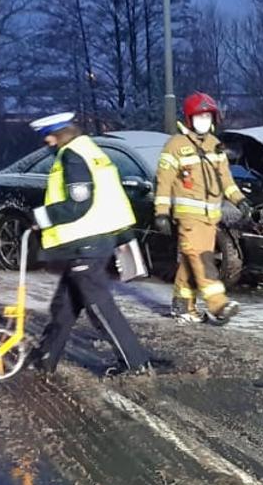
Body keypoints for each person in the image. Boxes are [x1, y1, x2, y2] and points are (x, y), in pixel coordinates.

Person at [26, 112, 155, 376]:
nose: (47, 140)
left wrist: (42, 216)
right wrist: (122, 235)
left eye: (49, 135)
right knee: (64, 305)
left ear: (62, 133)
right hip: (90, 242)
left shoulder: (73, 156)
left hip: (87, 243)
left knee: (99, 305)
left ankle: (136, 364)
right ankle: (44, 359)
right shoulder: (91, 150)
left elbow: (78, 203)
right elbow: (113, 198)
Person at [153, 92, 249, 324]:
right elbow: (163, 182)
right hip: (189, 218)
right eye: (199, 116)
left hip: (211, 217)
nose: (204, 120)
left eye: (207, 116)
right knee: (202, 259)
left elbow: (225, 180)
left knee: (190, 260)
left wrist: (239, 200)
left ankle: (182, 305)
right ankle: (218, 305)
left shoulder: (215, 145)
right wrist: (162, 214)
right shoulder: (175, 146)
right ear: (189, 118)